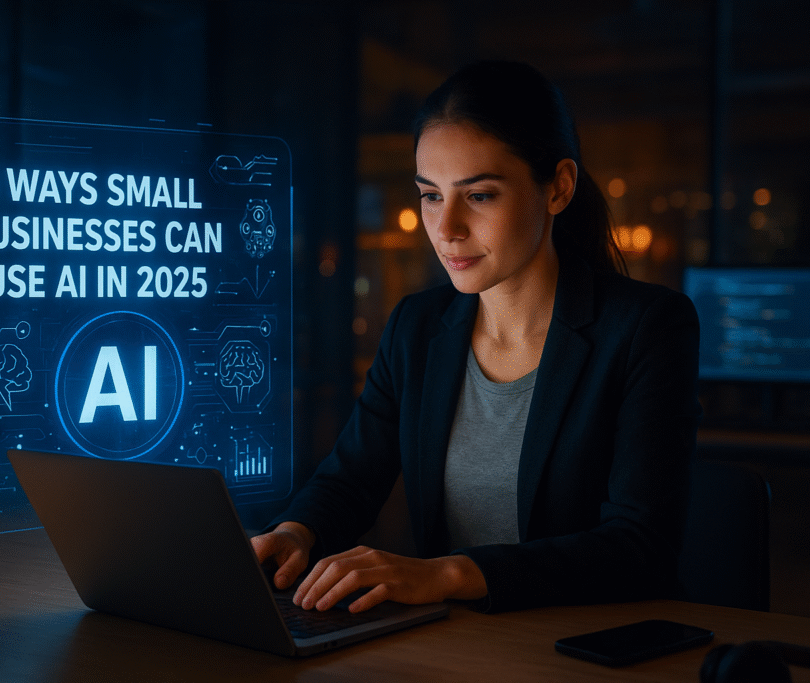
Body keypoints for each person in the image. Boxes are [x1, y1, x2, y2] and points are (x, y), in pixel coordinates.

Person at [251, 60, 701, 614]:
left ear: (558, 188)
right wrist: (296, 533)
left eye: (480, 196)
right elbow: (350, 479)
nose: (446, 229)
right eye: (431, 195)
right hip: (459, 649)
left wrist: (449, 573)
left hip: (593, 645)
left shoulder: (647, 328)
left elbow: (640, 548)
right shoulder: (416, 326)